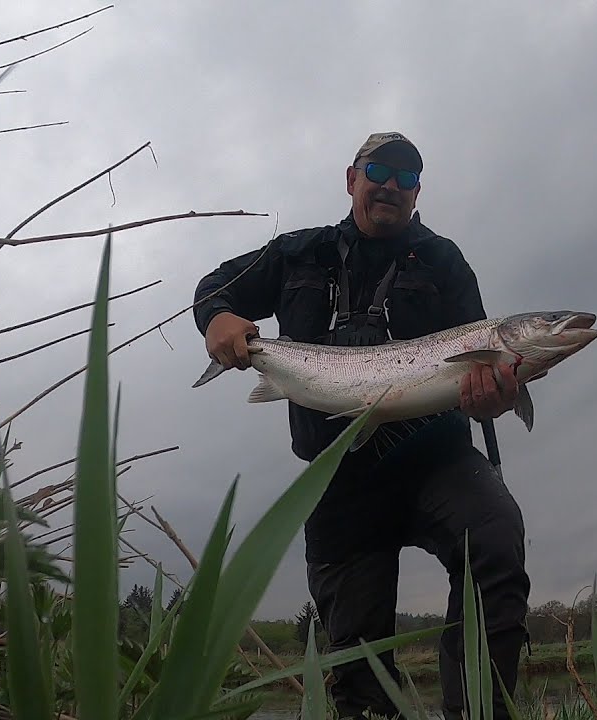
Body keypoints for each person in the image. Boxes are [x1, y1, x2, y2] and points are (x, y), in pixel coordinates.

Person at [192, 131, 530, 719]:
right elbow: (214, 290)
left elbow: (477, 370)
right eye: (379, 170)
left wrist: (490, 399)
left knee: (496, 538)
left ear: (417, 192)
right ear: (351, 178)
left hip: (439, 460)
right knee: (355, 664)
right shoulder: (298, 252)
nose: (390, 186)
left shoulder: (444, 260)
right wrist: (218, 317)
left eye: (407, 177)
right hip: (335, 477)